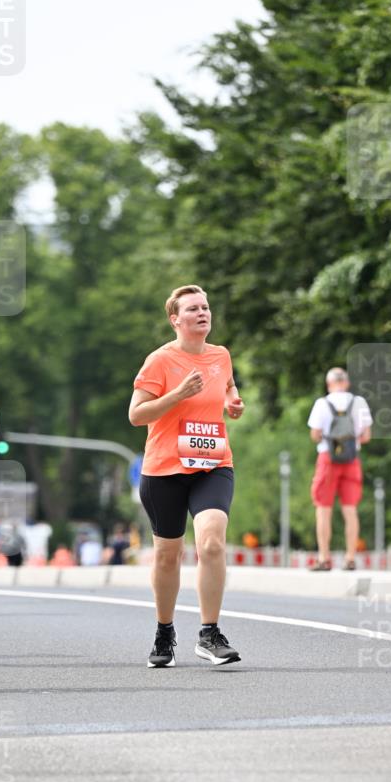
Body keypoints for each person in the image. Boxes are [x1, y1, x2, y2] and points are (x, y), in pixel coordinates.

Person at [129, 284, 244, 668]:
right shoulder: (160, 361)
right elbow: (137, 415)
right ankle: (164, 631)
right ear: (175, 319)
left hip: (212, 465)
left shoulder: (220, 355)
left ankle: (210, 633)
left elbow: (226, 382)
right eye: (193, 308)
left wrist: (231, 400)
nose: (202, 313)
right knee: (168, 556)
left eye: (206, 307)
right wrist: (177, 395)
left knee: (211, 543)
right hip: (164, 470)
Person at [307, 367, 372, 570]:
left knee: (323, 509)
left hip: (328, 458)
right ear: (347, 383)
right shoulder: (359, 402)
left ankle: (324, 558)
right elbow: (366, 436)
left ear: (329, 385)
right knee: (350, 510)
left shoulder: (322, 403)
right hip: (352, 459)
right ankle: (350, 558)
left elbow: (315, 434)